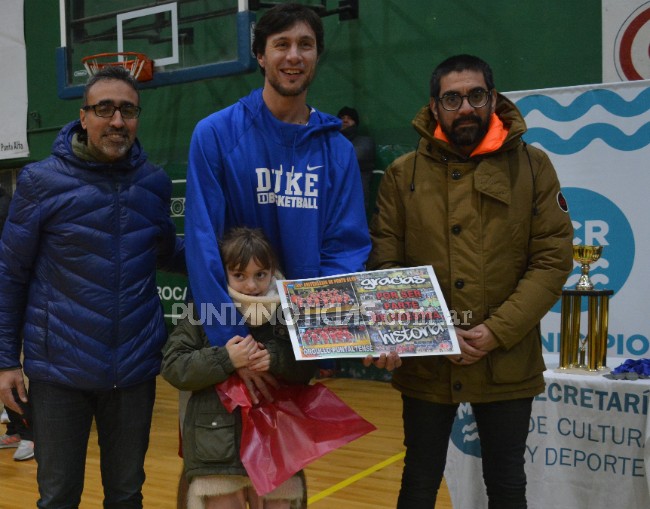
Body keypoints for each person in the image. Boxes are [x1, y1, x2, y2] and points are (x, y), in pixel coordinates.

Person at [368, 54, 574, 508]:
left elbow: (552, 260)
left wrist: (496, 331)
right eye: (452, 98)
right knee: (418, 480)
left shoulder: (534, 167)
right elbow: (386, 266)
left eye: (476, 95)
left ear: (494, 99)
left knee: (506, 484)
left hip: (507, 359)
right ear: (434, 106)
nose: (465, 107)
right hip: (427, 364)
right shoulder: (403, 175)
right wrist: (434, 333)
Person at [184, 2, 399, 401]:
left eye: (306, 44)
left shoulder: (338, 151)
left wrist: (324, 333)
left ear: (317, 55)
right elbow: (202, 244)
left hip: (295, 348)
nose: (294, 56)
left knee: (288, 465)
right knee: (217, 464)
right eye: (281, 44)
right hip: (227, 342)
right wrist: (235, 346)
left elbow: (344, 250)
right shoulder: (215, 134)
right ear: (261, 55)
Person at [0, 65, 185, 508]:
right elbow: (10, 274)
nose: (117, 121)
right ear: (83, 117)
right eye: (104, 109)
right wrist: (6, 360)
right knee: (59, 496)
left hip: (134, 372)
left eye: (127, 110)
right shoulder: (40, 182)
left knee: (126, 496)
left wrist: (236, 259)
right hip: (59, 373)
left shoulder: (153, 184)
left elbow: (168, 253)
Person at [163, 226, 315, 509]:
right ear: (224, 274)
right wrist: (225, 359)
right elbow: (174, 365)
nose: (251, 285)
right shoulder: (202, 308)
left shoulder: (288, 310)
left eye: (260, 274)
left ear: (273, 271)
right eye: (239, 275)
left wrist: (276, 357)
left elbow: (308, 367)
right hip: (217, 450)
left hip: (275, 448)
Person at [337, 106, 376, 212]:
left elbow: (354, 157)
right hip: (333, 201)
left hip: (355, 202)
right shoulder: (330, 141)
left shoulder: (366, 143)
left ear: (356, 123)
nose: (345, 120)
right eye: (342, 117)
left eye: (350, 118)